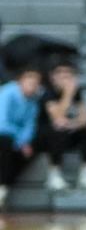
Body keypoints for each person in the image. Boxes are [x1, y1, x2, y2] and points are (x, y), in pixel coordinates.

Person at [37, 59, 86, 192]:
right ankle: (54, 173)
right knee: (57, 130)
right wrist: (68, 94)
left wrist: (74, 124)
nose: (66, 79)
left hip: (65, 129)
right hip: (43, 133)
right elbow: (57, 116)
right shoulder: (48, 91)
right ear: (53, 76)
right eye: (62, 75)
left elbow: (85, 117)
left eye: (70, 75)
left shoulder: (77, 90)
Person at [0, 64, 43, 210]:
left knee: (28, 151)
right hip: (5, 135)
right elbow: (2, 123)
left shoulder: (33, 102)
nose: (33, 85)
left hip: (13, 137)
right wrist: (20, 139)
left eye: (36, 83)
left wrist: (24, 142)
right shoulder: (6, 93)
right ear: (20, 80)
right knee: (5, 143)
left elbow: (29, 126)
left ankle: (4, 186)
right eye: (29, 81)